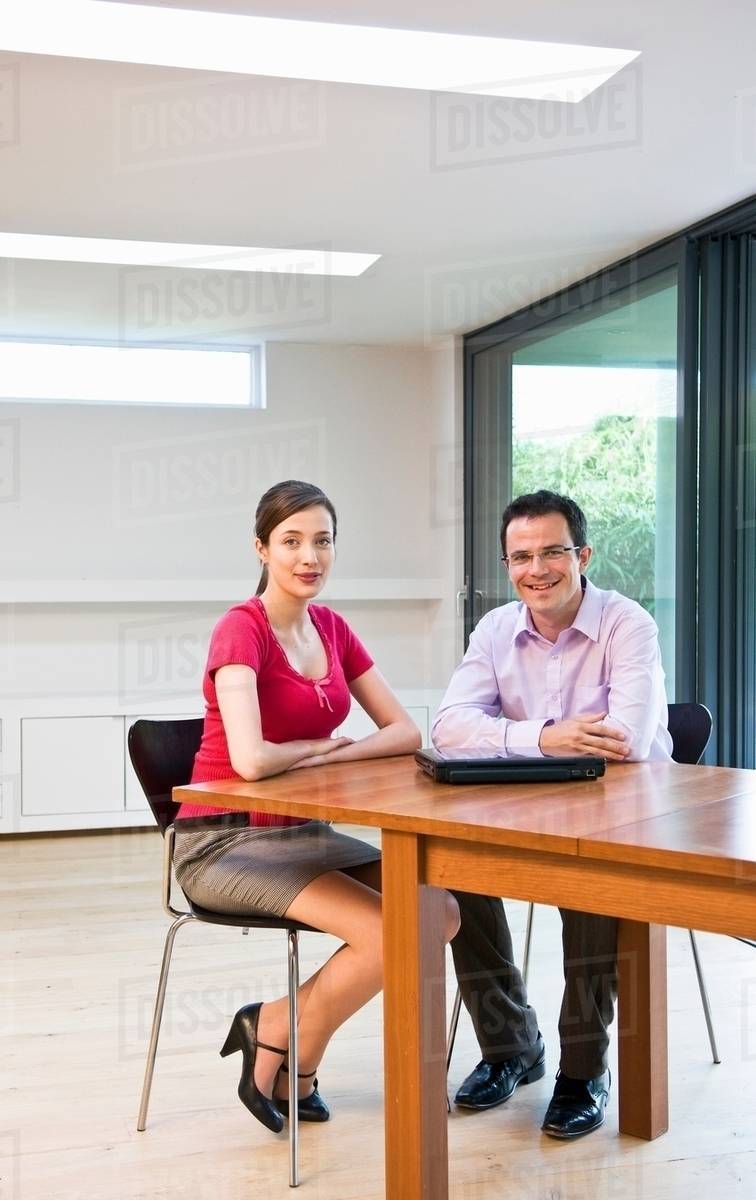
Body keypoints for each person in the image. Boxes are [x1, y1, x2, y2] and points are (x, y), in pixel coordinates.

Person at [175, 478, 460, 1133]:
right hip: (223, 840)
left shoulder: (332, 628)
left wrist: (326, 756)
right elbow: (249, 760)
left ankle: (281, 1031)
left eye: (323, 541)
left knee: (438, 912)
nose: (311, 556)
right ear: (261, 549)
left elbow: (405, 732)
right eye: (292, 541)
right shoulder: (239, 630)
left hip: (302, 833)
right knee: (393, 933)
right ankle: (286, 1041)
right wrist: (316, 746)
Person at [432, 489, 672, 1139]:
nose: (537, 569)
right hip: (525, 807)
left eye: (552, 552)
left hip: (623, 815)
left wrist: (515, 734)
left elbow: (625, 739)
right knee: (451, 868)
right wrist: (547, 738)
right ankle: (512, 1047)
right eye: (521, 556)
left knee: (590, 885)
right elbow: (450, 726)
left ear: (583, 554)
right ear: (508, 566)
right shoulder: (494, 631)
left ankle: (584, 1069)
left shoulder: (629, 625)